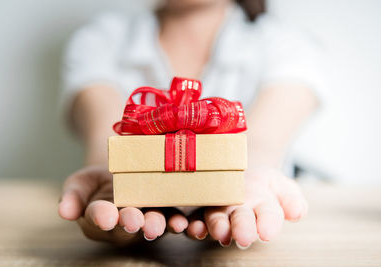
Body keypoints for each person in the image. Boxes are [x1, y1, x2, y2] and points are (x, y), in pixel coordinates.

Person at [58, 0, 322, 249]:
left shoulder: (288, 43)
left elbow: (262, 142)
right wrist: (111, 174)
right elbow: (107, 129)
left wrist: (247, 180)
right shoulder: (100, 39)